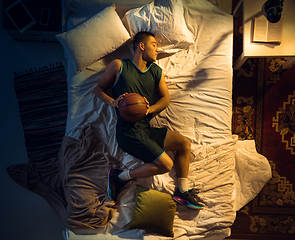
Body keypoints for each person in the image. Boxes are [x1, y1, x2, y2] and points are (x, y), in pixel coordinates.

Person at [95, 31, 202, 210]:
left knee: (184, 144)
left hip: (145, 128)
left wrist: (149, 109)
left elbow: (165, 99)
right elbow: (99, 89)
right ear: (141, 46)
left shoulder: (156, 72)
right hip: (127, 132)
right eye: (154, 45)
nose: (158, 50)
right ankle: (120, 176)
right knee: (166, 164)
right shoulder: (119, 66)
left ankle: (182, 191)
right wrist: (113, 102)